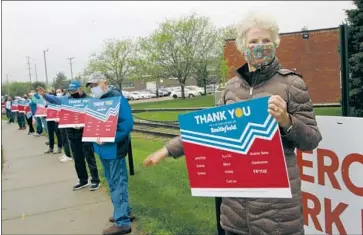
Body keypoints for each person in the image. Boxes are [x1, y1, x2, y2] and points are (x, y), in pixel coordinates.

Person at [143, 12, 322, 235]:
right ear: (242, 47)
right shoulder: (231, 88)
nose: (260, 46)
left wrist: (286, 120)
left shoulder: (291, 84)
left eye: (266, 40)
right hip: (235, 209)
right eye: (253, 41)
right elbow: (210, 130)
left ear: (275, 43)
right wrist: (167, 150)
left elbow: (311, 140)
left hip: (277, 212)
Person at [85, 72, 134, 235]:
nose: (93, 88)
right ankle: (124, 211)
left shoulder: (117, 98)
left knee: (118, 183)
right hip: (102, 149)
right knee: (113, 183)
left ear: (104, 82)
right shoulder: (96, 101)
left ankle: (122, 223)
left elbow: (127, 124)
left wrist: (109, 138)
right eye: (91, 86)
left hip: (113, 149)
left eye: (95, 84)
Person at [39, 80, 100, 191]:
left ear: (80, 89)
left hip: (86, 132)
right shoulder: (66, 99)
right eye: (70, 91)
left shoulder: (89, 99)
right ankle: (83, 180)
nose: (72, 93)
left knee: (89, 157)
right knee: (77, 158)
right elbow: (54, 99)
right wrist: (44, 95)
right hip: (72, 133)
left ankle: (95, 180)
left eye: (74, 90)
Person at [56, 88, 72, 163]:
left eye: (59, 92)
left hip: (65, 121)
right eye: (57, 92)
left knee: (66, 139)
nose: (58, 93)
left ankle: (68, 155)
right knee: (63, 138)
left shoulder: (66, 99)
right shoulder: (60, 100)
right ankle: (66, 153)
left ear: (63, 92)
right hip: (60, 120)